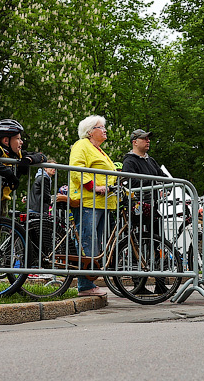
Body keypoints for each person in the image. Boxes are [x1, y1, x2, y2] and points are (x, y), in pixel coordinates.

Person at [69, 115, 117, 297]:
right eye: (101, 127)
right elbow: (76, 169)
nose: (105, 130)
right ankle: (85, 286)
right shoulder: (82, 145)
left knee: (95, 244)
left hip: (103, 203)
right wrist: (93, 186)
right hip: (89, 201)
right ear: (90, 131)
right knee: (87, 242)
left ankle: (88, 283)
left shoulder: (99, 150)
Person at [0, 119, 46, 222]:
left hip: (2, 203)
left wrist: (28, 159)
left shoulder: (18, 154)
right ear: (6, 141)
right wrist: (9, 174)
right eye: (18, 138)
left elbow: (42, 156)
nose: (21, 142)